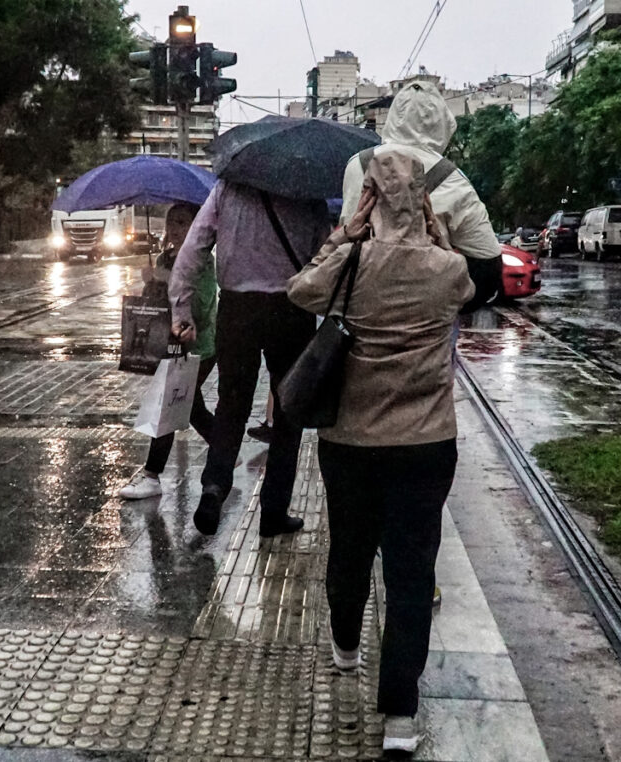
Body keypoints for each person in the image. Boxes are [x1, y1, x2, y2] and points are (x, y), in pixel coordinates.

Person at [287, 151, 475, 755]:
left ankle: (345, 648)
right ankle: (399, 716)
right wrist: (435, 230)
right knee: (412, 574)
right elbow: (469, 286)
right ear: (423, 201)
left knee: (349, 547)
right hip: (425, 444)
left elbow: (299, 291)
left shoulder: (353, 260)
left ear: (367, 198)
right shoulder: (448, 269)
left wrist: (345, 232)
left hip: (350, 441)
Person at [169, 180, 331, 537]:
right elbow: (326, 257)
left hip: (237, 310)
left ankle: (214, 487)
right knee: (289, 414)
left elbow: (194, 247)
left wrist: (181, 307)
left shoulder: (228, 189)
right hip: (292, 309)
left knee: (232, 404)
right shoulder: (308, 192)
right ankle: (273, 513)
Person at [341, 79, 502, 308]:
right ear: (443, 123)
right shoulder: (453, 179)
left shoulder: (357, 165)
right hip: (428, 313)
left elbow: (345, 236)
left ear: (393, 118)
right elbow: (488, 263)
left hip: (363, 307)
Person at [118, 203, 216, 500]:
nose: (174, 228)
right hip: (167, 346)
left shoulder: (203, 260)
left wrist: (164, 278)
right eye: (171, 221)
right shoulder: (164, 257)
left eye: (182, 222)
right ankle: (225, 450)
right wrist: (149, 286)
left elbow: (200, 306)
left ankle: (151, 475)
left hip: (197, 349)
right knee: (192, 408)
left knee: (166, 407)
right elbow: (158, 305)